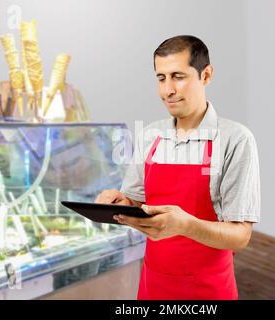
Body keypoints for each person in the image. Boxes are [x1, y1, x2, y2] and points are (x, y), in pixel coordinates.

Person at [95, 35, 261, 300]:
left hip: (207, 290)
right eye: (161, 78)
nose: (167, 90)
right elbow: (139, 204)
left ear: (205, 75)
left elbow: (240, 236)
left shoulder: (234, 139)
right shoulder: (150, 135)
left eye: (178, 76)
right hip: (153, 285)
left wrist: (186, 226)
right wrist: (121, 203)